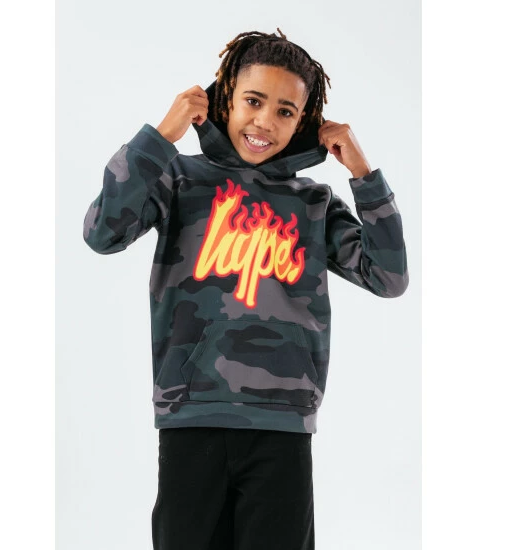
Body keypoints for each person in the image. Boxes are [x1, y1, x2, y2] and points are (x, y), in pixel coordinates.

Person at [83, 28, 408, 550]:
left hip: (283, 426)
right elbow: (102, 233)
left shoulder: (314, 203)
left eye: (285, 111)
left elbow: (388, 278)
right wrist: (159, 138)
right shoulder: (179, 178)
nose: (265, 122)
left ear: (304, 121)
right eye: (253, 101)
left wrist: (363, 174)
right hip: (191, 415)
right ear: (225, 99)